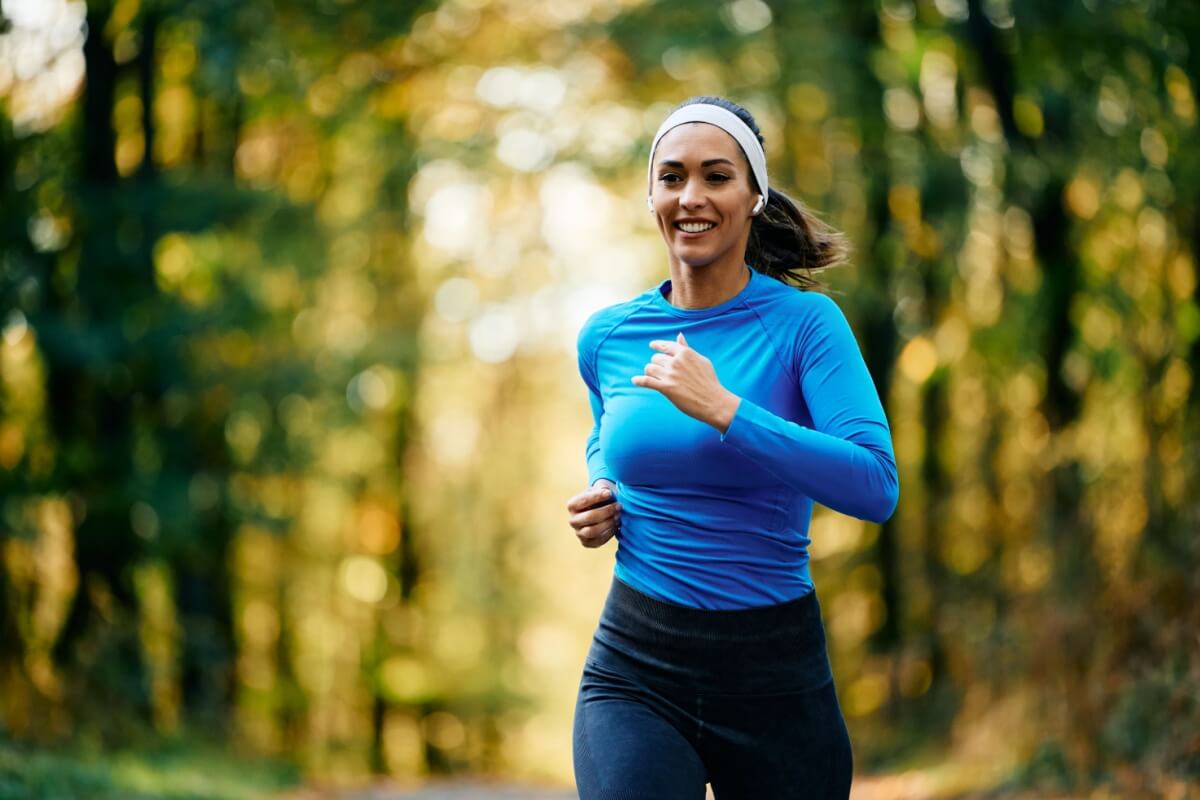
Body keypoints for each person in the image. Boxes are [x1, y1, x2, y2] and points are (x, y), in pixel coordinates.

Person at [566, 96, 900, 799]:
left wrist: (726, 411)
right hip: (637, 663)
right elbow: (606, 435)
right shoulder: (607, 337)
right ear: (650, 195)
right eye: (672, 176)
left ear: (755, 197)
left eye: (717, 177)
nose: (692, 196)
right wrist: (605, 492)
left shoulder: (807, 326)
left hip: (775, 674)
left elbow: (874, 485)